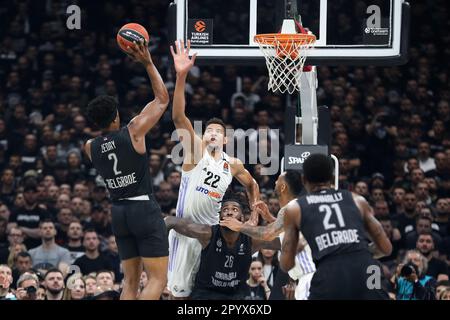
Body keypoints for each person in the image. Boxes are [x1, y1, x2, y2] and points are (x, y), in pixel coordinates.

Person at [167, 40, 260, 298]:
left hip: (213, 237)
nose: (213, 134)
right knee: (179, 292)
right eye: (209, 131)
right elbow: (177, 117)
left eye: (218, 132)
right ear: (202, 136)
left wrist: (254, 212)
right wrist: (182, 75)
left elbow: (252, 185)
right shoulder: (196, 152)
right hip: (187, 232)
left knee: (206, 292)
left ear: (226, 140)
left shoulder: (234, 164)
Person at [83, 39, 169, 300]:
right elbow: (162, 99)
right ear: (115, 117)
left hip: (118, 212)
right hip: (142, 207)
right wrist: (148, 63)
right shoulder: (133, 132)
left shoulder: (89, 147)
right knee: (157, 278)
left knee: (130, 282)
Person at [280, 153, 392, 300]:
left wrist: (297, 248)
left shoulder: (295, 209)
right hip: (367, 269)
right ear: (333, 177)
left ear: (304, 180)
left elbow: (286, 265)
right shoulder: (357, 200)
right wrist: (359, 251)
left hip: (330, 274)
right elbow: (386, 248)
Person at [221, 170, 316, 300]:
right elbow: (289, 229)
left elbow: (267, 234)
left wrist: (239, 226)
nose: (275, 182)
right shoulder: (300, 205)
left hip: (309, 275)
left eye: (278, 180)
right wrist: (269, 217)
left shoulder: (292, 207)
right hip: (313, 275)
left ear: (283, 187)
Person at [164, 193, 278, 300]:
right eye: (225, 209)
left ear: (242, 218)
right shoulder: (207, 233)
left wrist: (270, 218)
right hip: (205, 294)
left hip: (235, 296)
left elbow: (287, 241)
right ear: (219, 218)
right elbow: (170, 221)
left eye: (234, 209)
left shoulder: (251, 240)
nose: (229, 212)